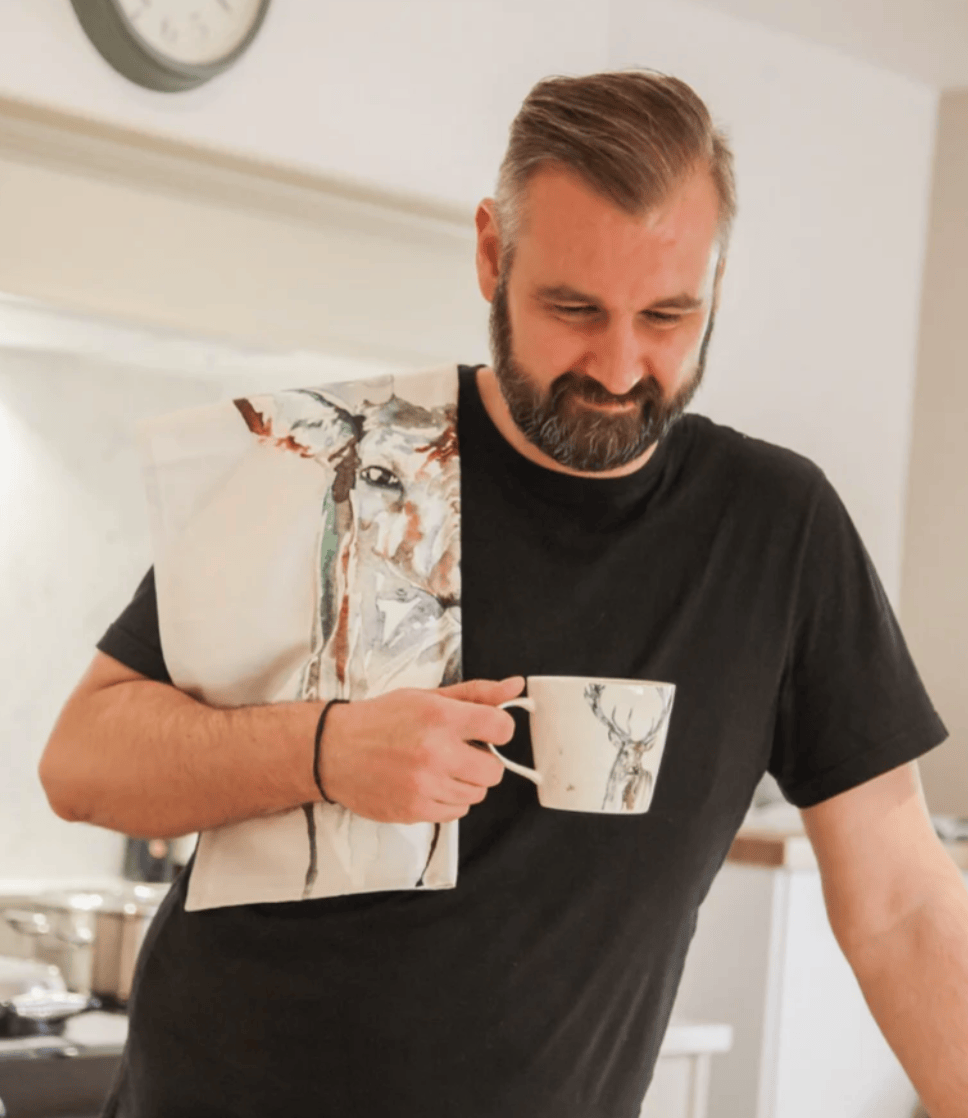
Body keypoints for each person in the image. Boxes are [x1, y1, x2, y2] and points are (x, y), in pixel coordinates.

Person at [39, 69, 968, 1118]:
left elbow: (900, 905)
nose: (619, 366)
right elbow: (83, 761)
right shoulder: (340, 460)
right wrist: (326, 750)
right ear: (491, 254)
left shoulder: (777, 530)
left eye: (669, 315)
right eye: (574, 309)